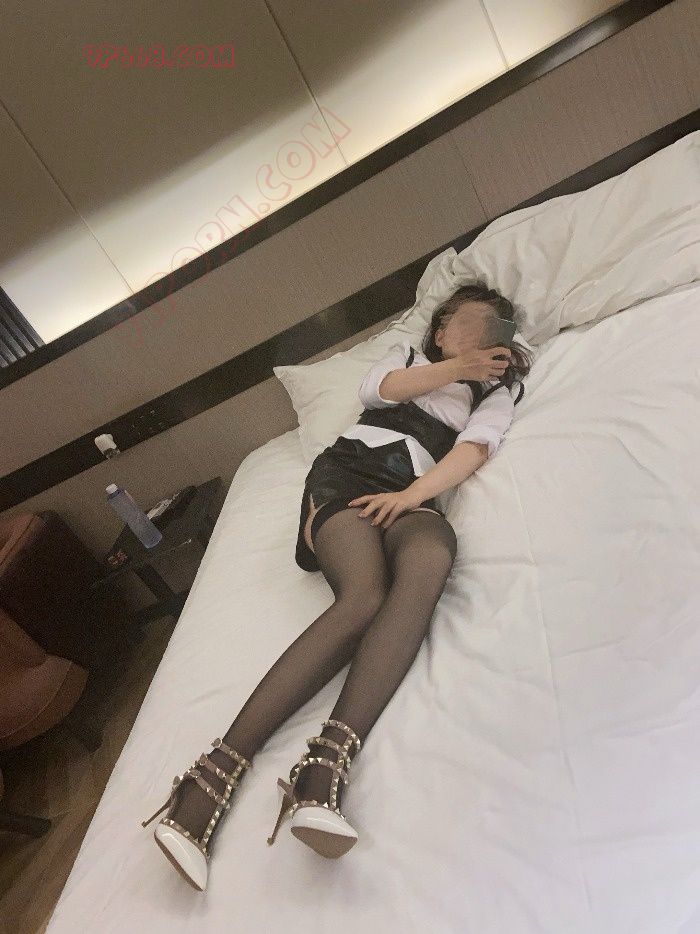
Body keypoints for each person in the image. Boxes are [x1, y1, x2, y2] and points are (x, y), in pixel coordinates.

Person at [142, 281, 532, 890]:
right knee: (364, 598)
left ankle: (322, 770)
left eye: (496, 326)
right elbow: (380, 391)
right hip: (349, 476)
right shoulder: (408, 357)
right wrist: (456, 368)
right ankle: (209, 777)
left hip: (411, 494)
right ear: (441, 330)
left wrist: (412, 496)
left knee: (432, 557)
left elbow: (475, 450)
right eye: (472, 322)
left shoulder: (497, 391)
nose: (484, 334)